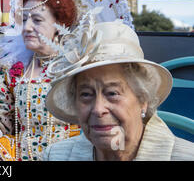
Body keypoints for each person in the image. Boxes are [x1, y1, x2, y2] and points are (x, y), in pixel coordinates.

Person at [0, 0, 134, 161]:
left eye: (37, 20)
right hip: (21, 155)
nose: (27, 27)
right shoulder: (12, 69)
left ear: (60, 25)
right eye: (24, 19)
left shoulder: (80, 64)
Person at [43, 19, 194, 161]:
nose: (98, 109)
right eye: (86, 94)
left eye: (112, 93)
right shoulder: (55, 155)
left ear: (143, 100)